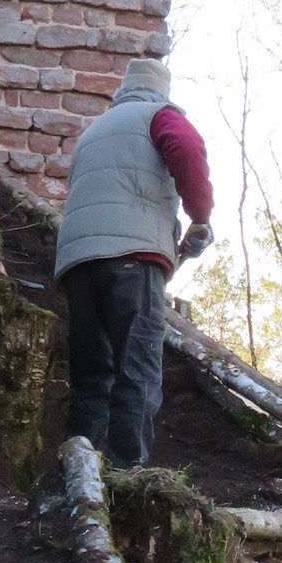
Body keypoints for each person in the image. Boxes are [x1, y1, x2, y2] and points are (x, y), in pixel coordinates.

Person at [54, 54, 212, 466]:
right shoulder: (159, 115)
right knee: (137, 372)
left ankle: (77, 475)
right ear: (162, 90)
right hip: (132, 261)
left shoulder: (93, 132)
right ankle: (128, 478)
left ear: (124, 89)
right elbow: (187, 147)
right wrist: (200, 217)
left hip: (78, 263)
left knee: (91, 377)